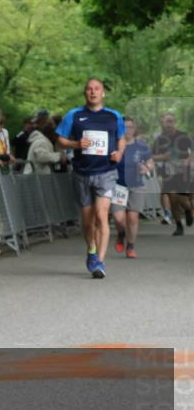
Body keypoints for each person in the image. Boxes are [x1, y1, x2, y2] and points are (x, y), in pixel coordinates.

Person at [55, 78, 125, 279]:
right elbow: (59, 140)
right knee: (87, 223)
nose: (93, 92)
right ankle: (92, 250)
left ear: (103, 93)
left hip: (106, 172)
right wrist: (76, 145)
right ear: (85, 93)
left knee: (102, 215)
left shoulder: (114, 116)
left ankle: (99, 263)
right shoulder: (74, 115)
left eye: (97, 89)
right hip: (82, 173)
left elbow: (122, 138)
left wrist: (119, 153)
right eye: (89, 89)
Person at [112, 117, 154, 258]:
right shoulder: (114, 144)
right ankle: (121, 233)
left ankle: (130, 246)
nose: (128, 130)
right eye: (124, 127)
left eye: (130, 127)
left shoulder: (142, 146)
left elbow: (150, 162)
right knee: (119, 219)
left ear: (134, 129)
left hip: (136, 185)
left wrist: (146, 168)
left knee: (133, 217)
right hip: (118, 185)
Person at [151, 112, 193, 236]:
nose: (168, 124)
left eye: (171, 121)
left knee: (182, 198)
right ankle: (179, 225)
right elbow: (152, 156)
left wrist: (189, 160)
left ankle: (188, 209)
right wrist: (163, 157)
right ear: (163, 124)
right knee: (172, 198)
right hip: (168, 173)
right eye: (166, 122)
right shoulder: (159, 139)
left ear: (175, 122)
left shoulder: (184, 136)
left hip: (183, 172)